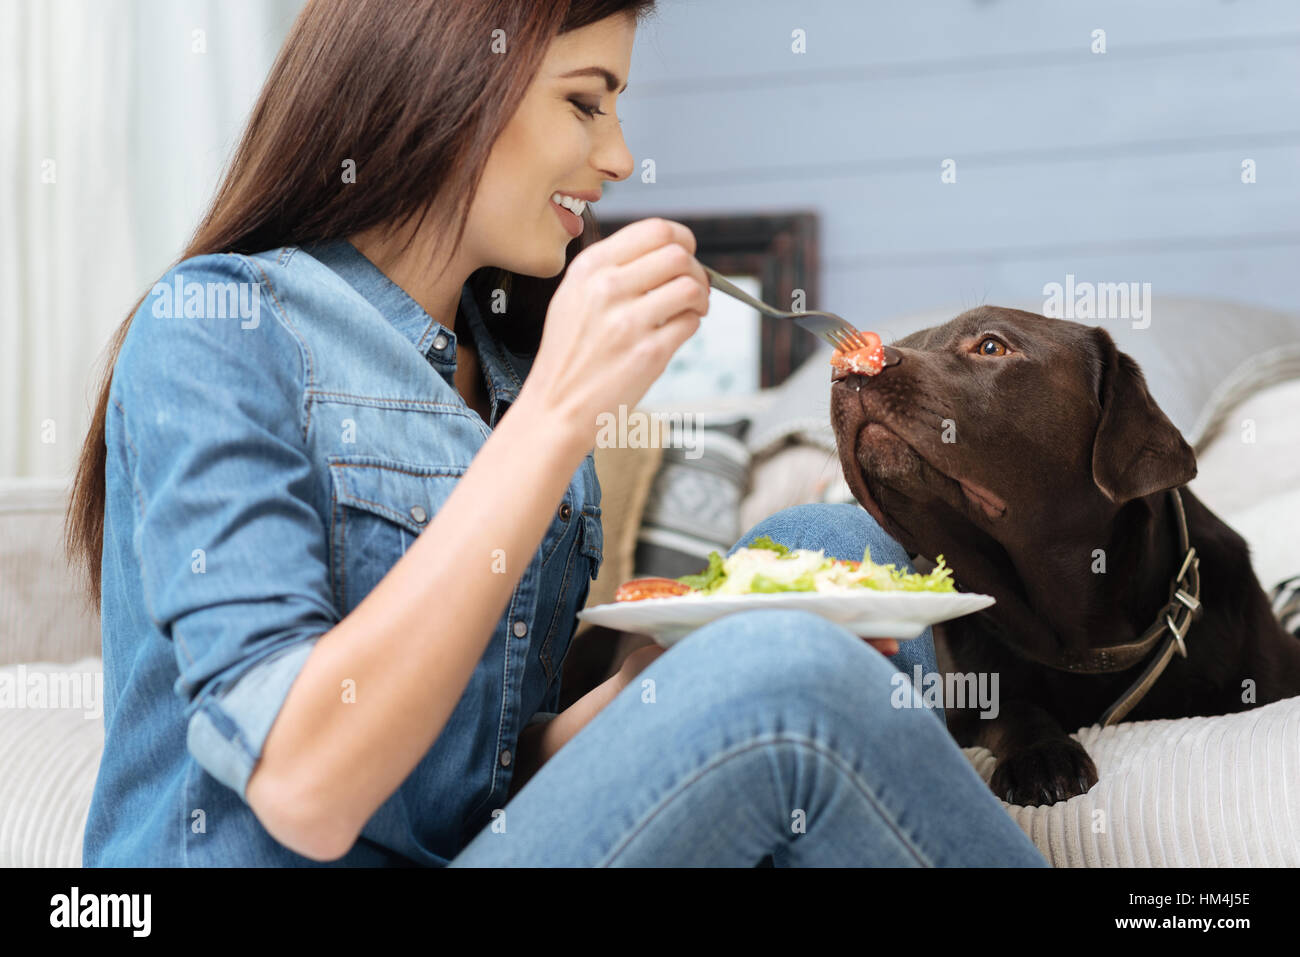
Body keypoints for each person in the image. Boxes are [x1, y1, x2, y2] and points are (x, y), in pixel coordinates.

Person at [66, 0, 1048, 867]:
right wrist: (556, 414)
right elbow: (305, 792)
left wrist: (666, 687)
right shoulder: (219, 327)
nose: (618, 158)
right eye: (585, 102)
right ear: (443, 80)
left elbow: (482, 781)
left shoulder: (505, 368)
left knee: (835, 552)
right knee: (786, 676)